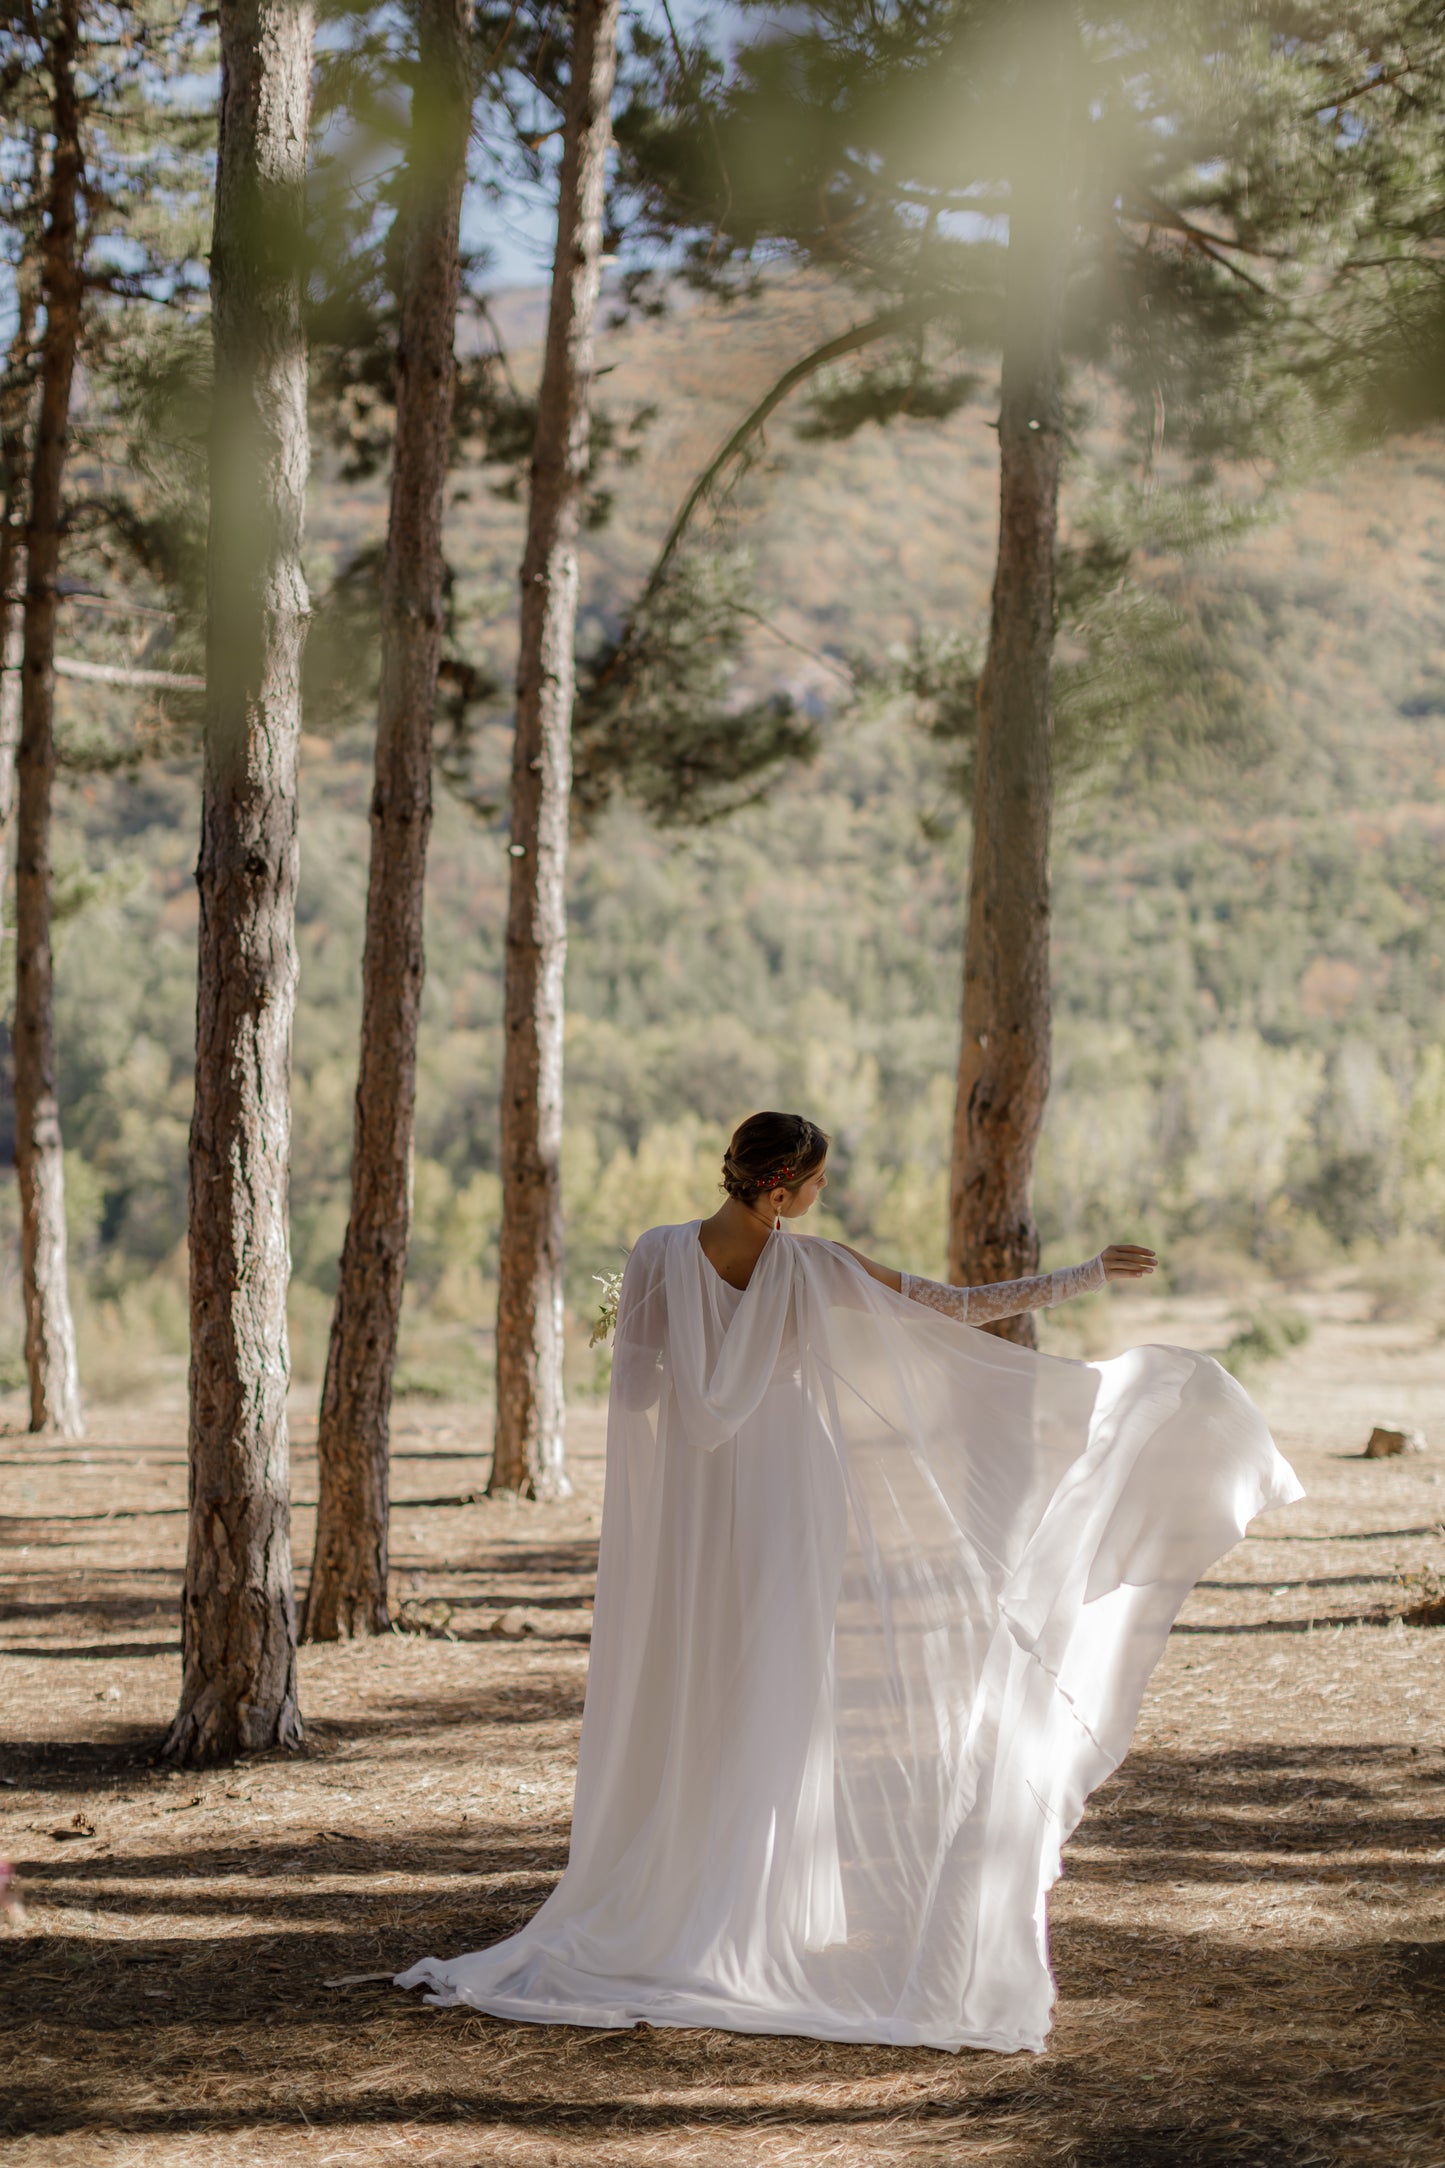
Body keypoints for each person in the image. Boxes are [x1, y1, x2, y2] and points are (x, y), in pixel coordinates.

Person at [398, 1110, 1302, 2054]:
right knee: (775, 1692)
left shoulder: (655, 1255)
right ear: (780, 1188)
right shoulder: (813, 1265)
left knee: (690, 1683)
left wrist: (667, 1336)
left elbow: (636, 1398)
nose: (822, 1198)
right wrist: (1081, 1276)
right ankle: (754, 1906)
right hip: (790, 1500)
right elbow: (950, 1307)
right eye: (817, 1183)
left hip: (691, 1514)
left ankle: (686, 1892)